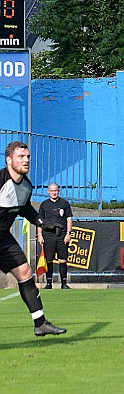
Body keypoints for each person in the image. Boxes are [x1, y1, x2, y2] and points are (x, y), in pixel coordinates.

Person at [0, 141, 67, 336]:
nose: (26, 160)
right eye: (21, 156)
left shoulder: (26, 186)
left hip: (3, 237)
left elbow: (26, 209)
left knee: (25, 272)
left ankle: (40, 323)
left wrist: (43, 223)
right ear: (9, 160)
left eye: (28, 156)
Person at [37, 182, 73, 289]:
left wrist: (68, 234)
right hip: (48, 235)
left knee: (63, 259)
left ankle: (63, 283)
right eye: (52, 191)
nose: (54, 193)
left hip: (61, 235)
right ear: (48, 191)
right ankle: (49, 283)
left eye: (55, 190)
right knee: (49, 259)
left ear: (58, 191)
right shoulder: (44, 204)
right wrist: (40, 235)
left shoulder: (64, 203)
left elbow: (69, 219)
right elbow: (39, 221)